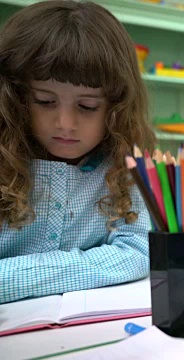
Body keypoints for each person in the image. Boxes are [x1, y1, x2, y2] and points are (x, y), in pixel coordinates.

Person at [0, 1, 155, 304]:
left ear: (116, 108)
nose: (65, 124)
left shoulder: (123, 165)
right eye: (44, 101)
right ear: (14, 96)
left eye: (87, 106)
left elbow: (137, 253)